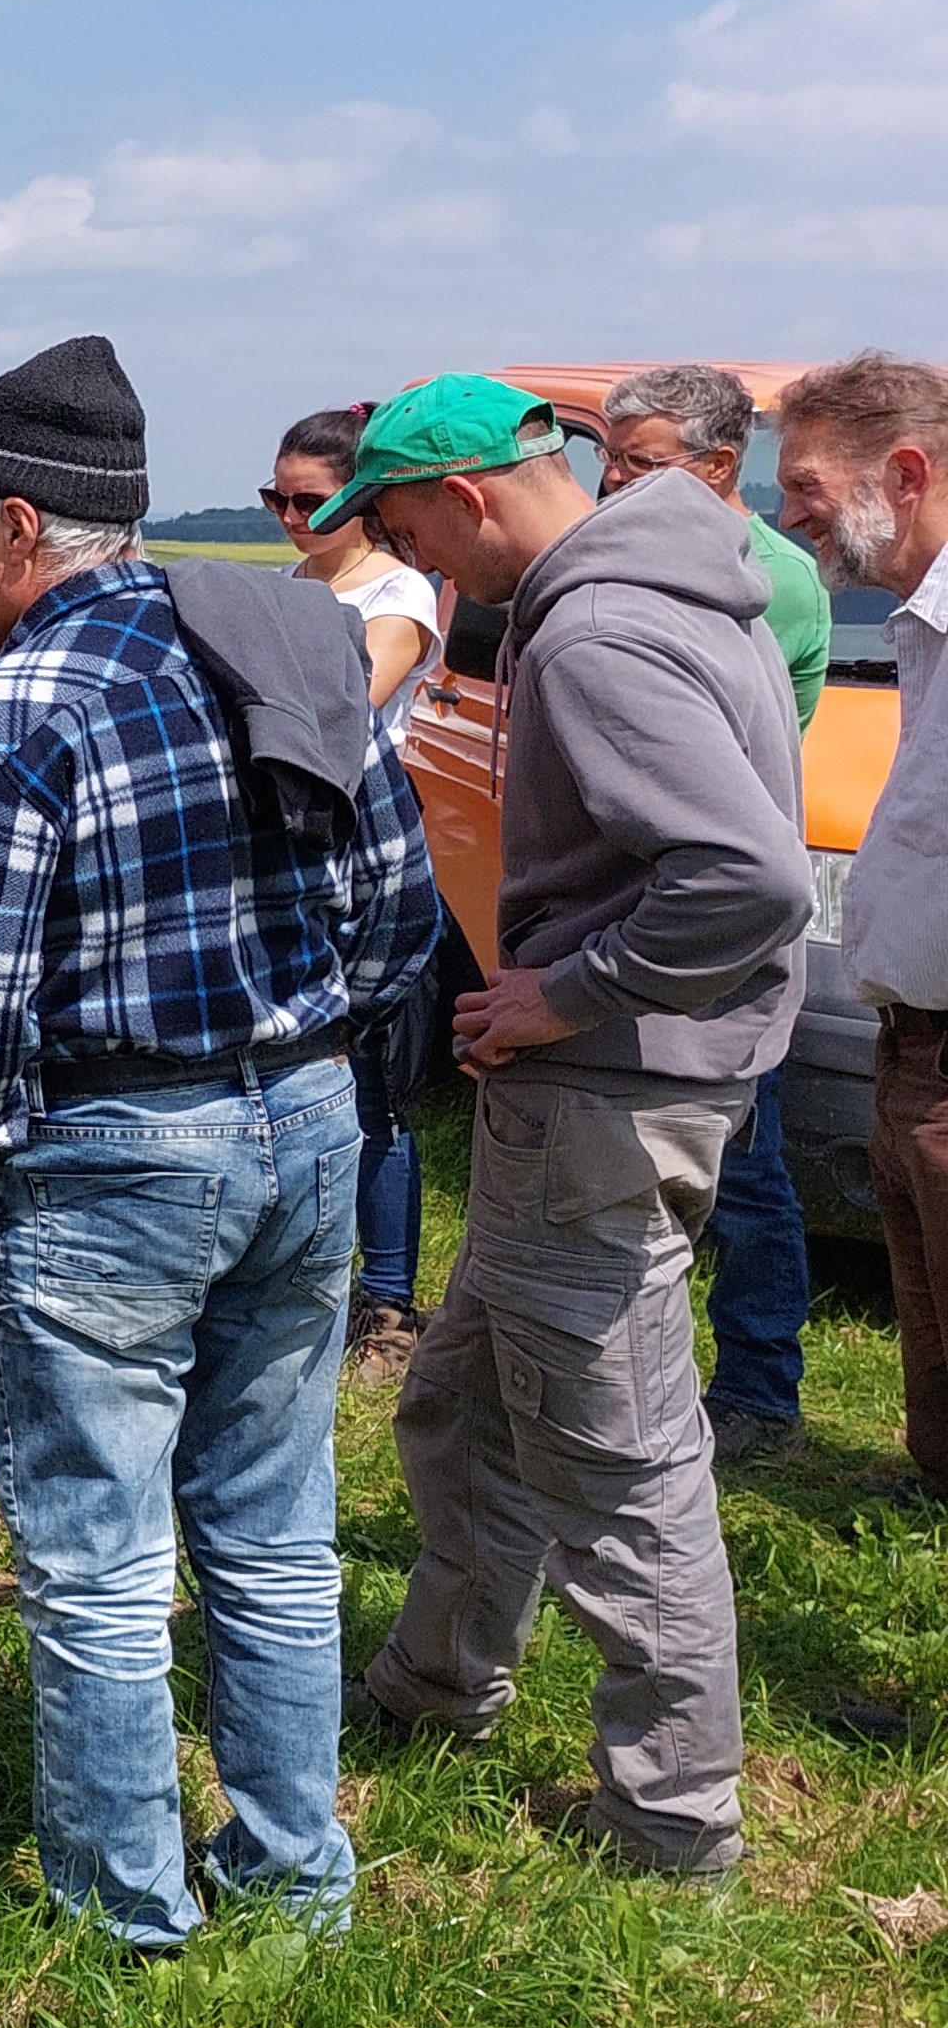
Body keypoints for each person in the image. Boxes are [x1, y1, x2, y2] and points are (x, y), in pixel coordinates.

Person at [0, 336, 438, 1950]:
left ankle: (124, 1908)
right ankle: (290, 1873)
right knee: (274, 1524)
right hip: (302, 1116)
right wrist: (299, 1047)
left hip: (108, 1151)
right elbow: (397, 906)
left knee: (94, 1550)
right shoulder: (277, 639)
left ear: (13, 527)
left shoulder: (10, 707)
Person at [334, 377, 809, 1880]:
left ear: (470, 496)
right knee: (463, 1408)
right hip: (607, 1094)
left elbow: (748, 881)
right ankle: (433, 1683)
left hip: (609, 1094)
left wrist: (565, 996)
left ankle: (673, 1820)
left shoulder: (598, 630)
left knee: (619, 1464)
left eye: (410, 527)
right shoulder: (666, 581)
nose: (421, 562)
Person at [598, 365, 830, 1464]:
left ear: (716, 467)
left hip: (719, 909)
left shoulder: (760, 576)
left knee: (747, 1164)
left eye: (635, 461)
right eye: (607, 456)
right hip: (674, 897)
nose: (611, 480)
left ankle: (757, 1387)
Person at [776, 352, 948, 1523]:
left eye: (801, 488)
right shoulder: (918, 624)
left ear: (903, 470)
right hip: (909, 1043)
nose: (787, 521)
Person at [268, 404, 446, 1361]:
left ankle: (387, 1302)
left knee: (372, 1089)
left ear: (359, 498)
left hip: (371, 860)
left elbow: (347, 705)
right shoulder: (293, 586)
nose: (292, 517)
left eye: (310, 499)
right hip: (301, 857)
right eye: (277, 498)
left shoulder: (398, 597)